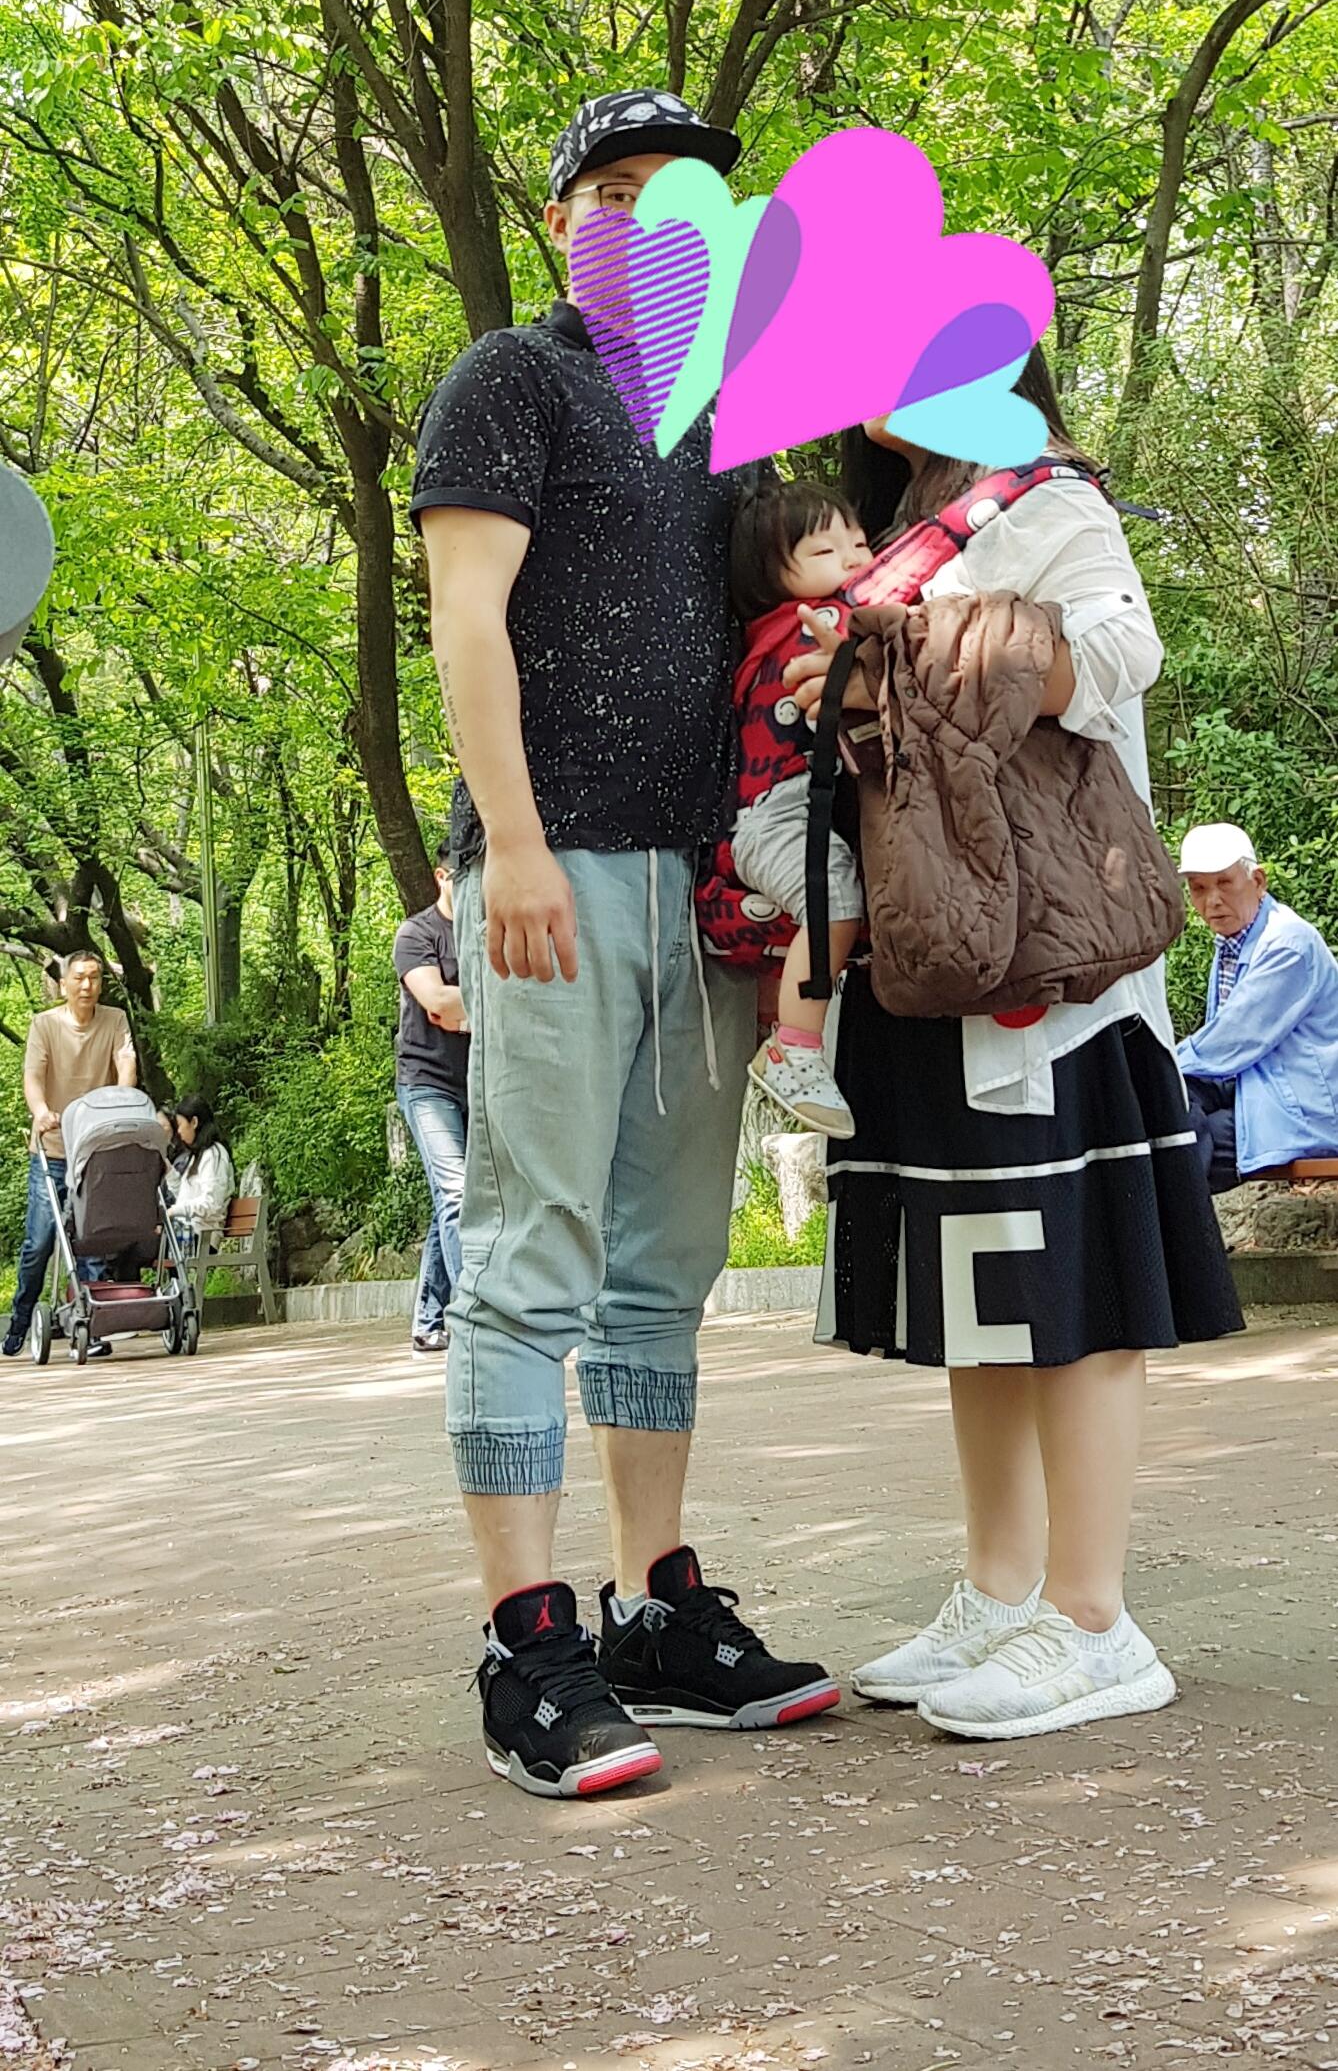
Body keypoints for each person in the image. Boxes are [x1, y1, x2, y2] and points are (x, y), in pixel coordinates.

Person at [412, 87, 839, 1802]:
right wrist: (507, 841)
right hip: (555, 866)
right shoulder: (513, 379)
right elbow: (463, 614)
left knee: (664, 1269)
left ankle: (653, 1604)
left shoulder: (733, 423)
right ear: (560, 219)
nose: (648, 221)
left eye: (683, 202)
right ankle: (524, 1638)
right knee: (532, 1259)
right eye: (614, 190)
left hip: (709, 890)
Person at [785, 355, 1243, 1743]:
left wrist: (901, 654)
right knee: (984, 1288)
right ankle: (999, 1588)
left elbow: (1116, 653)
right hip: (943, 952)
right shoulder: (901, 525)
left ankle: (1094, 1618)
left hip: (1053, 966)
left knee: (1076, 1278)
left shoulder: (1045, 499)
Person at [721, 479, 866, 1135]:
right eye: (827, 550)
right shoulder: (819, 622)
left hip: (780, 814)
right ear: (772, 576)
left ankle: (780, 1030)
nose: (854, 558)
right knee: (833, 897)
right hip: (777, 816)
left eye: (858, 542)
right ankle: (795, 1050)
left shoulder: (766, 636)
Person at [1176, 824, 1338, 1188]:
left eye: (1224, 883)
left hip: (1299, 1110)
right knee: (1166, 1102)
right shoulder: (1235, 940)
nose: (1212, 900)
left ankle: (1181, 1219)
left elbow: (1231, 1042)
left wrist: (1159, 1065)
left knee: (1174, 1132)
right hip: (1254, 1088)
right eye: (1199, 888)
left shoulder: (1287, 944)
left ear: (1258, 881)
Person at [3, 949, 137, 1356]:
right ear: (63, 984)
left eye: (94, 977)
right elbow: (33, 1076)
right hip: (53, 1148)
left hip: (95, 1150)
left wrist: (124, 1102)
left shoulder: (115, 1020)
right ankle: (21, 1319)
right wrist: (41, 1111)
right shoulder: (45, 1025)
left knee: (92, 1239)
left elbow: (126, 1065)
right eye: (79, 978)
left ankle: (91, 1327)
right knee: (40, 1241)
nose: (87, 985)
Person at [393, 843, 470, 1356]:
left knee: (456, 1199)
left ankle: (427, 1318)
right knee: (458, 1194)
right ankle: (475, 1313)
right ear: (442, 877)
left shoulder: (490, 931)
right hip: (426, 1083)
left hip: (481, 1081)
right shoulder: (416, 934)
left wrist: (465, 1009)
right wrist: (489, 1000)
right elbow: (437, 1001)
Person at [163, 1095, 236, 1253]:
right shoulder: (197, 1156)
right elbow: (184, 1197)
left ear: (194, 1122)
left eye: (180, 1125)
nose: (179, 1131)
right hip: (187, 1230)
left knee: (151, 1243)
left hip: (202, 1236)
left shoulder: (214, 1154)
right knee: (143, 1240)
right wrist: (168, 1171)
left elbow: (212, 1204)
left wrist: (175, 1210)